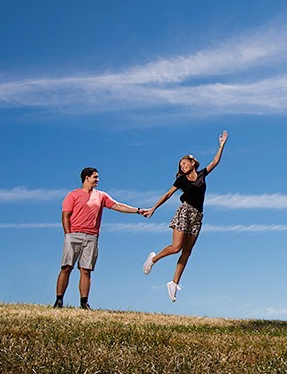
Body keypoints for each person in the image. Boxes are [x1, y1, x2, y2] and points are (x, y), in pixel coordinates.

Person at [141, 130, 227, 302]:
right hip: (185, 212)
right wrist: (153, 208)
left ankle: (173, 283)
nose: (182, 166)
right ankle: (154, 258)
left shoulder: (202, 174)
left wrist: (221, 145)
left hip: (197, 216)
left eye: (184, 163)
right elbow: (167, 195)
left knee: (187, 252)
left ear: (192, 163)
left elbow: (215, 161)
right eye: (180, 165)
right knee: (176, 247)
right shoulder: (181, 180)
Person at [54, 167, 146, 310]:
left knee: (86, 270)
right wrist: (68, 235)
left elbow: (118, 206)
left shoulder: (101, 196)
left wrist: (138, 210)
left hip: (92, 237)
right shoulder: (73, 195)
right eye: (95, 177)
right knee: (66, 268)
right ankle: (59, 301)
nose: (98, 180)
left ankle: (84, 303)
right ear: (86, 178)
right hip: (74, 235)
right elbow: (65, 216)